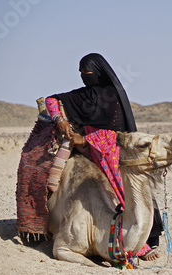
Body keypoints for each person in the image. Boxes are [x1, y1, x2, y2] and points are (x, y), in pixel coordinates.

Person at [45, 53, 162, 261]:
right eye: (80, 73)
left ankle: (143, 243)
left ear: (98, 73)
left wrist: (86, 139)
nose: (83, 76)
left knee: (128, 194)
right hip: (93, 153)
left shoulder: (112, 96)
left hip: (113, 153)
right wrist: (59, 119)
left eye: (87, 72)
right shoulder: (82, 96)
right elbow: (51, 100)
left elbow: (116, 134)